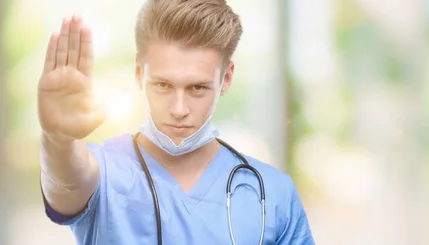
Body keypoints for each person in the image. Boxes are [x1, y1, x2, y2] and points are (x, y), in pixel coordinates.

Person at [37, 0, 315, 244]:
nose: (179, 109)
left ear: (226, 79)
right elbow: (65, 179)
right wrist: (58, 139)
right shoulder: (104, 173)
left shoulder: (273, 194)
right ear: (138, 73)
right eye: (163, 85)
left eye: (197, 88)